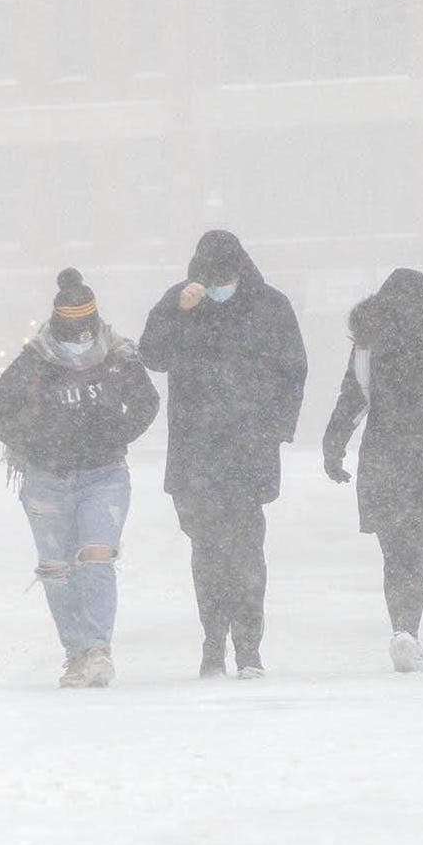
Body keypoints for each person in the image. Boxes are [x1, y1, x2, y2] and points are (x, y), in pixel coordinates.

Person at [0, 270, 161, 688]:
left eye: (86, 330)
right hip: (47, 479)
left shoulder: (119, 356)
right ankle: (75, 653)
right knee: (57, 569)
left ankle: (99, 647)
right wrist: (35, 444)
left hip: (105, 475)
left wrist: (116, 433)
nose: (79, 340)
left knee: (96, 556)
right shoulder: (36, 360)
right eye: (71, 331)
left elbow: (147, 403)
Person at [140, 229, 307, 680]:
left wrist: (276, 427)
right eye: (210, 276)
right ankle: (213, 642)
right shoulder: (180, 302)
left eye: (224, 276)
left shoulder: (270, 306)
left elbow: (293, 370)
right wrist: (180, 313)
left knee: (247, 551)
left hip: (248, 452)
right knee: (207, 551)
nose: (218, 284)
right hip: (196, 452)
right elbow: (151, 354)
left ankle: (248, 646)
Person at [322, 269, 423, 673]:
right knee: (419, 551)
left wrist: (333, 446)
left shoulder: (368, 341)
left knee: (394, 553)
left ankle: (400, 629)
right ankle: (409, 630)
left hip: (383, 455)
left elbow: (352, 396)